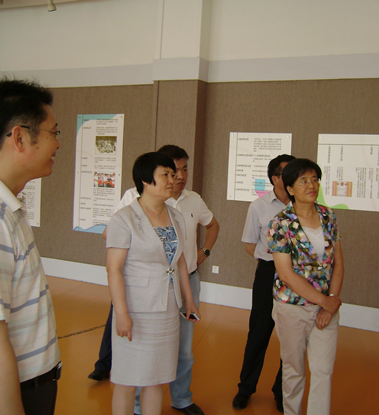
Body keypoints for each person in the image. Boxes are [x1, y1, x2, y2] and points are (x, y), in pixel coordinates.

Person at [90, 145, 218, 415]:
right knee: (127, 381)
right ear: (146, 181)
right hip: (137, 308)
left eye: (174, 174)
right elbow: (114, 269)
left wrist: (189, 300)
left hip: (168, 309)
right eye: (166, 175)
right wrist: (121, 315)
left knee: (156, 379)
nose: (174, 179)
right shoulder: (124, 219)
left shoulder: (174, 215)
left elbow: (180, 260)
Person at [0, 78, 62, 415]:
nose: (58, 143)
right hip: (20, 393)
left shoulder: (11, 208)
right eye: (54, 132)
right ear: (20, 137)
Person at [268, 158, 344, 415]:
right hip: (292, 308)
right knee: (294, 370)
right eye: (303, 181)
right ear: (290, 188)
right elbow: (285, 274)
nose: (311, 185)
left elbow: (338, 264)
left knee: (323, 371)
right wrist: (325, 302)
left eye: (314, 179)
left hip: (327, 308)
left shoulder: (329, 216)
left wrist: (331, 300)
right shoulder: (280, 223)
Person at [232, 154, 295, 412]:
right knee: (258, 332)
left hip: (298, 278)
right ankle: (245, 389)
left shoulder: (303, 205)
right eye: (289, 173)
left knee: (292, 337)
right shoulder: (258, 206)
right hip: (268, 273)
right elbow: (250, 245)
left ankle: (281, 391)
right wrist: (275, 259)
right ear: (275, 178)